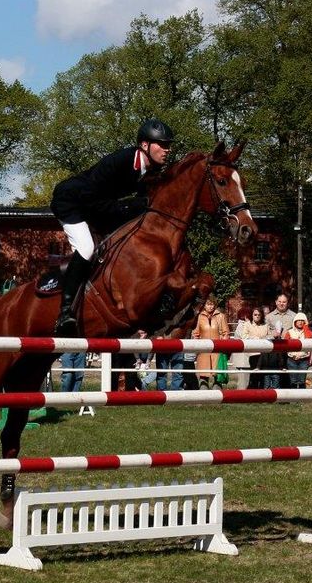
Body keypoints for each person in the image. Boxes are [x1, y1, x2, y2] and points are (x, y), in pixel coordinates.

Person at [51, 118, 174, 336]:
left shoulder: (152, 170)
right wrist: (130, 206)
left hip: (97, 207)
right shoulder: (118, 162)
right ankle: (65, 312)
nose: (167, 150)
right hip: (73, 202)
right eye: (162, 145)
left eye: (168, 145)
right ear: (145, 145)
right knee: (87, 248)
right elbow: (92, 200)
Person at [194, 296, 228, 389]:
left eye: (212, 304)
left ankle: (217, 394)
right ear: (204, 305)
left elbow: (226, 333)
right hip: (203, 352)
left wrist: (223, 343)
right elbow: (196, 333)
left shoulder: (221, 316)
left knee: (218, 376)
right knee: (203, 376)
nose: (210, 306)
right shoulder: (200, 317)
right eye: (208, 304)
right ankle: (203, 394)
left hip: (217, 351)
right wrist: (197, 344)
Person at [263, 293, 295, 388]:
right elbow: (264, 333)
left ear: (287, 303)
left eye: (284, 302)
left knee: (288, 376)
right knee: (274, 375)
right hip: (273, 352)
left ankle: (288, 393)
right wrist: (272, 335)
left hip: (289, 351)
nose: (282, 304)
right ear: (276, 302)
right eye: (280, 301)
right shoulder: (269, 317)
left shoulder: (294, 316)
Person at [235, 307, 270, 390]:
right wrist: (256, 339)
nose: (257, 316)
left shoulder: (265, 325)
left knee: (261, 378)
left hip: (262, 355)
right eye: (255, 314)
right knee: (249, 379)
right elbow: (244, 336)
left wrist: (264, 339)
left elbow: (269, 336)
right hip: (250, 355)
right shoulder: (246, 325)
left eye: (259, 315)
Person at [282, 312, 312, 389]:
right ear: (295, 321)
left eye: (302, 320)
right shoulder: (289, 332)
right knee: (293, 381)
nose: (300, 322)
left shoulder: (308, 332)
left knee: (302, 381)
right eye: (298, 320)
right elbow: (285, 346)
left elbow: (309, 338)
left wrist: (306, 327)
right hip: (291, 359)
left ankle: (302, 396)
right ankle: (293, 396)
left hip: (304, 360)